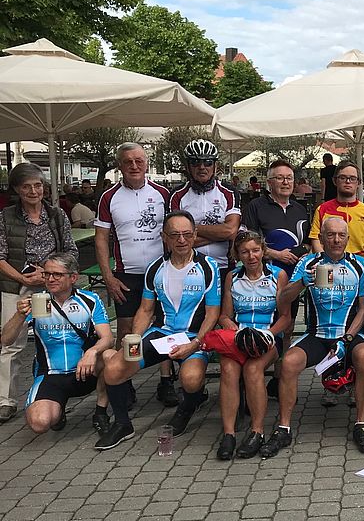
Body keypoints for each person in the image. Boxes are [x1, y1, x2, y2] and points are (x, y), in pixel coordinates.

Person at [94, 211, 221, 450]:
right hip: (162, 333)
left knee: (191, 379)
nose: (181, 240)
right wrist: (133, 339)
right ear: (164, 237)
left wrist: (194, 344)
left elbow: (212, 314)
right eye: (175, 235)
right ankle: (122, 425)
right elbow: (145, 309)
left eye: (186, 234)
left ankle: (186, 409)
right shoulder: (155, 268)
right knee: (114, 368)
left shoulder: (208, 266)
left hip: (194, 337)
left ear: (195, 235)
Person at [258, 217, 364, 457]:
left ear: (348, 239)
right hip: (317, 334)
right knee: (289, 362)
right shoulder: (308, 262)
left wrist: (347, 339)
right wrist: (302, 282)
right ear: (321, 239)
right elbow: (283, 299)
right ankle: (283, 428)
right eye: (330, 235)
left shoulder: (361, 264)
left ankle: (361, 424)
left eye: (341, 235)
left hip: (348, 334)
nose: (336, 240)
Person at [94, 143, 176, 407]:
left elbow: (174, 231)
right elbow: (101, 238)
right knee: (126, 329)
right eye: (128, 161)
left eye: (139, 161)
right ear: (120, 165)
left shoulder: (163, 193)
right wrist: (108, 276)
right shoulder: (108, 197)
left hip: (160, 272)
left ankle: (166, 381)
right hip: (126, 274)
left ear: (147, 163)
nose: (134, 166)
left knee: (163, 326)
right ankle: (123, 379)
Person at [1, 252, 114, 434]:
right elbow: (6, 340)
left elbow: (107, 338)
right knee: (39, 423)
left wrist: (92, 352)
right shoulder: (38, 301)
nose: (51, 279)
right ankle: (58, 407)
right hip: (51, 374)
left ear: (73, 278)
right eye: (47, 274)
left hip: (85, 369)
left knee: (110, 356)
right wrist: (19, 315)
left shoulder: (89, 300)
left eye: (57, 274)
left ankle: (100, 412)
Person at [0, 163, 78, 423]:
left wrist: (46, 272)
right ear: (16, 189)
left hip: (52, 281)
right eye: (27, 187)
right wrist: (22, 277)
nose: (34, 191)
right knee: (11, 342)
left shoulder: (56, 215)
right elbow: (0, 256)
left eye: (38, 185)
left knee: (57, 334)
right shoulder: (5, 217)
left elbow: (70, 250)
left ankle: (55, 393)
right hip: (16, 283)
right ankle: (6, 400)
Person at [214, 231, 292, 460]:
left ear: (263, 251)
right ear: (237, 255)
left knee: (253, 369)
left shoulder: (277, 275)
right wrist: (234, 329)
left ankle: (257, 431)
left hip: (268, 337)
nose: (251, 256)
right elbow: (224, 315)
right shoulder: (232, 277)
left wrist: (267, 335)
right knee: (228, 369)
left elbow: (286, 317)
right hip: (239, 336)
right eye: (245, 252)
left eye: (255, 250)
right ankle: (229, 434)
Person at [244, 160, 309, 398]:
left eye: (289, 178)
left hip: (293, 279)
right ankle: (256, 378)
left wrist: (303, 253)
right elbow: (247, 240)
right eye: (280, 178)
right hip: (264, 277)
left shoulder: (300, 209)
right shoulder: (256, 206)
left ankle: (279, 379)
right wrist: (275, 254)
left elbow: (308, 242)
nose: (285, 182)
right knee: (266, 325)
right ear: (269, 182)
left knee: (287, 326)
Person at [169, 139, 241, 285]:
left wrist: (190, 231)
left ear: (215, 165)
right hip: (188, 267)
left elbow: (230, 230)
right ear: (188, 166)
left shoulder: (229, 192)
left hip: (223, 267)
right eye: (195, 162)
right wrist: (219, 235)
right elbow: (175, 240)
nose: (202, 167)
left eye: (207, 162)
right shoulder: (177, 195)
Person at [309, 160, 364, 262]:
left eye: (352, 178)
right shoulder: (322, 210)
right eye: (343, 178)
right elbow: (316, 241)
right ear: (335, 181)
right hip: (329, 265)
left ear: (359, 183)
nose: (348, 181)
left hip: (360, 265)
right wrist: (326, 264)